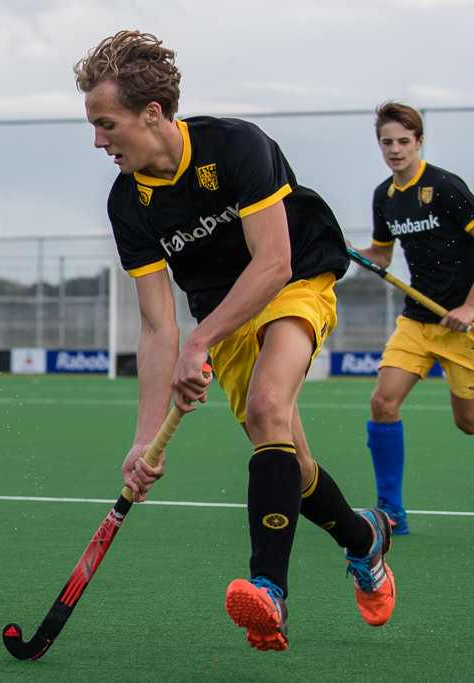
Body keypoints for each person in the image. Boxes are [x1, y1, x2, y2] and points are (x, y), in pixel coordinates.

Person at [74, 30, 396, 651]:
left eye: (106, 125)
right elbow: (157, 325)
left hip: (295, 279)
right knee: (293, 463)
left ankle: (268, 590)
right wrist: (144, 440)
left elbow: (273, 262)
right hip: (223, 315)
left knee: (267, 406)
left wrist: (200, 344)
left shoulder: (236, 145)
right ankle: (364, 540)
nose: (98, 141)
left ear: (152, 113)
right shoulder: (128, 205)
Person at [352, 102, 474, 535]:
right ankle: (392, 512)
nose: (395, 150)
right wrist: (344, 249)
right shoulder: (384, 196)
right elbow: (381, 254)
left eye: (404, 141)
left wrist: (470, 306)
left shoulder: (445, 187)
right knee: (382, 403)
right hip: (417, 321)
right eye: (387, 142)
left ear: (419, 141)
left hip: (462, 322)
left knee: (468, 423)